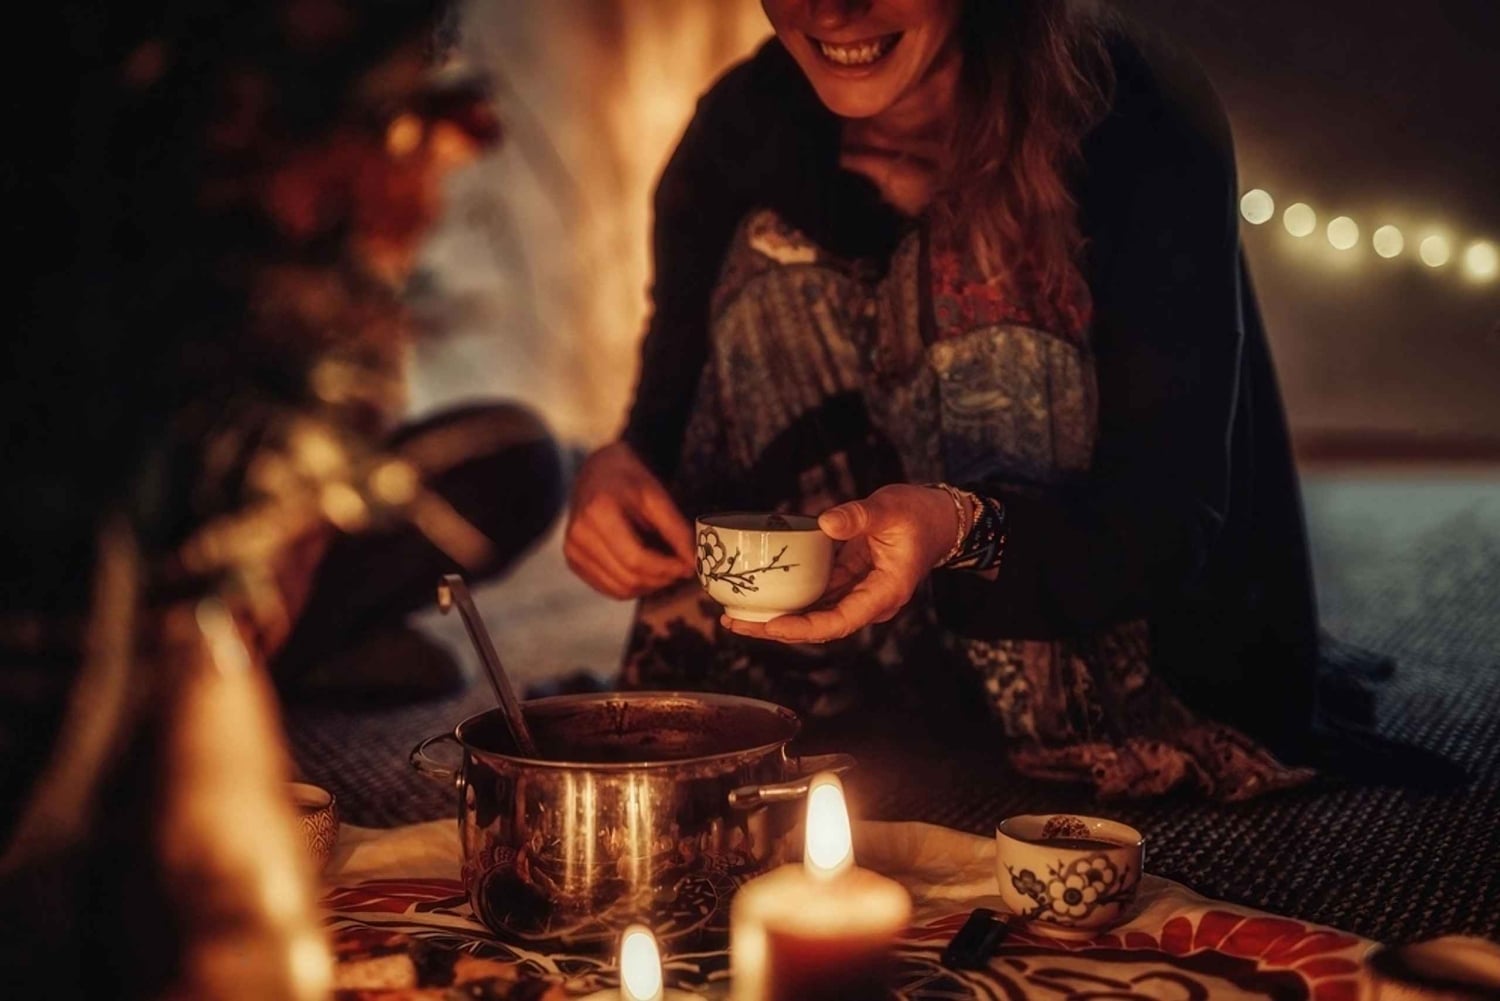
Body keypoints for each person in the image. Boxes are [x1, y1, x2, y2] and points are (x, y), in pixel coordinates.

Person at [564, 0, 1448, 801]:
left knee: (983, 252)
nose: (832, 7)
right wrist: (618, 468)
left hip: (1097, 659)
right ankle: (828, 688)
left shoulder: (1135, 109)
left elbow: (1170, 515)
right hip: (821, 669)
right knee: (769, 258)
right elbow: (665, 413)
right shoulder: (738, 124)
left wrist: (960, 529)